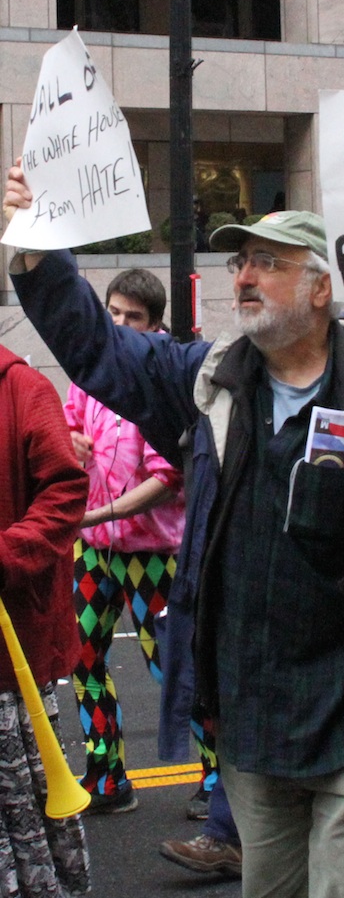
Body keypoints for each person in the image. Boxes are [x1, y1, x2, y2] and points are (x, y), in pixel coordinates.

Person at [4, 170, 344, 898]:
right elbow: (98, 349)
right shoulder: (209, 380)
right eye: (239, 261)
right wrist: (36, 243)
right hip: (250, 722)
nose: (243, 276)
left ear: (320, 288)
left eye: (267, 262)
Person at [63, 267, 217, 817]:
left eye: (134, 316)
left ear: (155, 325)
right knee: (81, 657)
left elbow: (168, 478)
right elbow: (66, 427)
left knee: (174, 666)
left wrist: (97, 514)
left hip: (153, 553)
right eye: (113, 313)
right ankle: (106, 776)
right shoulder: (87, 373)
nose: (121, 324)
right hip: (93, 549)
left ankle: (218, 779)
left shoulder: (163, 381)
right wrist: (70, 440)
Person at [0, 341, 90, 896]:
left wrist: (7, 553)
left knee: (23, 810)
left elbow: (66, 490)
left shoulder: (24, 390)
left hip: (12, 655)